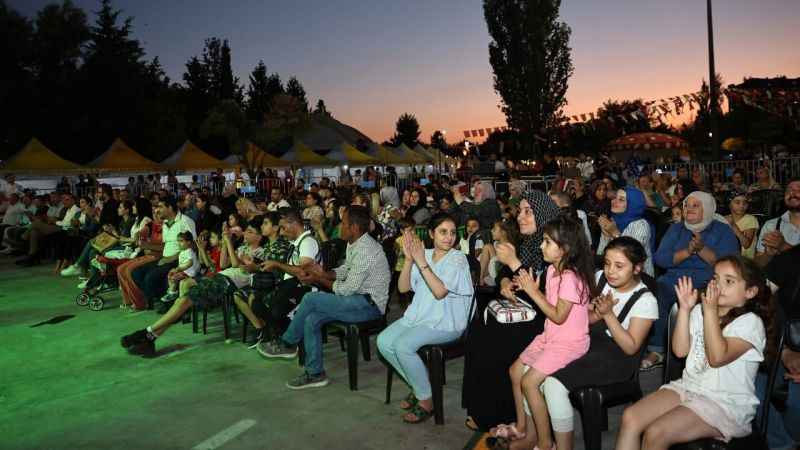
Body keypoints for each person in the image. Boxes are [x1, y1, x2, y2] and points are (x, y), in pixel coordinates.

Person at [616, 255, 772, 449]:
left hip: (725, 402)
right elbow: (680, 351)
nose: (718, 286)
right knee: (630, 417)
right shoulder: (700, 311)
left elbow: (717, 357)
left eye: (729, 281)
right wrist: (685, 309)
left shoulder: (750, 323)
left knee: (656, 432)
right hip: (690, 387)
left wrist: (710, 312)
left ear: (750, 291)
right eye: (715, 279)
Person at [517, 237, 656, 450]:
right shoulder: (599, 278)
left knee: (553, 385)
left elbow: (631, 347)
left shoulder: (646, 300)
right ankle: (536, 437)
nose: (610, 271)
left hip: (618, 358)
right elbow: (584, 319)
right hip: (587, 342)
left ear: (637, 268)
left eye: (619, 266)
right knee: (530, 369)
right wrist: (596, 313)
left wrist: (607, 315)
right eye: (607, 263)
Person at [259, 206, 391, 390]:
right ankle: (315, 373)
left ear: (354, 227)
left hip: (369, 306)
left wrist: (318, 278)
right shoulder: (356, 242)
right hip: (356, 300)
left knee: (311, 300)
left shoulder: (366, 251)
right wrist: (324, 273)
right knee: (312, 319)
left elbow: (345, 290)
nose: (339, 227)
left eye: (343, 224)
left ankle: (288, 343)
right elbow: (346, 270)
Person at [462, 190, 561, 431]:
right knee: (478, 330)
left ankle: (501, 413)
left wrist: (514, 263)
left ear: (543, 215)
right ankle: (483, 408)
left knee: (496, 339)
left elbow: (550, 298)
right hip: (521, 312)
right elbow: (508, 274)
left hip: (544, 322)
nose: (521, 217)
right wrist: (505, 282)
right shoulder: (528, 243)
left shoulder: (557, 246)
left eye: (529, 212)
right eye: (520, 211)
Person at [493, 215, 595, 450]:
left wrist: (532, 291)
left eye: (548, 242)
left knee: (529, 382)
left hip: (569, 342)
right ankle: (521, 427)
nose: (541, 246)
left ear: (565, 249)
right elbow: (549, 307)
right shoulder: (551, 271)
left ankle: (545, 443)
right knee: (515, 370)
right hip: (551, 336)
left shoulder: (571, 277)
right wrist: (531, 288)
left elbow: (559, 315)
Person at [378, 213, 474, 423]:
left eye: (451, 233)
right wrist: (410, 260)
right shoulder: (426, 254)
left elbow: (440, 292)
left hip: (448, 321)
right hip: (421, 315)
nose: (449, 237)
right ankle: (421, 387)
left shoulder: (457, 259)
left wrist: (420, 261)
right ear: (431, 234)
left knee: (403, 345)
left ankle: (426, 400)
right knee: (383, 342)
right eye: (442, 232)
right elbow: (403, 287)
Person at [120, 219, 265, 356]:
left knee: (184, 302)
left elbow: (236, 265)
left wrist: (227, 241)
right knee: (181, 302)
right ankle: (150, 337)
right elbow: (224, 263)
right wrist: (227, 244)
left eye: (250, 232)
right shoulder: (241, 248)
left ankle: (146, 333)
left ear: (259, 237)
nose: (246, 233)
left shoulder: (260, 252)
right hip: (219, 278)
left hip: (229, 283)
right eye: (246, 231)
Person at [642, 191, 739, 371]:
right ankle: (657, 350)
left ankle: (700, 350)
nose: (689, 209)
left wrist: (702, 249)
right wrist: (687, 251)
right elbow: (660, 259)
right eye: (686, 205)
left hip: (707, 282)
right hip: (674, 280)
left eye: (696, 205)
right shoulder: (676, 229)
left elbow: (729, 266)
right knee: (657, 291)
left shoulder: (722, 230)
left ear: (708, 208)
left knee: (702, 298)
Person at [232, 211, 292, 345]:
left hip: (277, 285)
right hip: (264, 283)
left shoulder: (282, 245)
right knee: (238, 295)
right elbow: (262, 266)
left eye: (266, 224)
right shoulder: (267, 246)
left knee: (253, 297)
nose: (262, 227)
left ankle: (271, 330)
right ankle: (261, 328)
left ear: (276, 228)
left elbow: (276, 270)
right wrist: (252, 264)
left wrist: (256, 267)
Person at [130, 197, 196, 310]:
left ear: (170, 208)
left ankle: (161, 302)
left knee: (150, 277)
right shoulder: (165, 224)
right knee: (136, 272)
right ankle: (157, 298)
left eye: (160, 207)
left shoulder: (185, 221)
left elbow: (192, 245)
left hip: (179, 260)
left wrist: (171, 258)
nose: (157, 210)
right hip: (164, 258)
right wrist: (146, 246)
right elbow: (165, 246)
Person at [596, 187, 654, 276]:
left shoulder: (641, 225)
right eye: (615, 197)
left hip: (637, 277)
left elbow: (630, 257)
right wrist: (606, 235)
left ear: (633, 204)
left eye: (621, 199)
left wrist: (615, 233)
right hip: (613, 272)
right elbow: (600, 255)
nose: (614, 201)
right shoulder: (613, 220)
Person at [754, 178, 800, 267]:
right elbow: (757, 265)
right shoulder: (771, 225)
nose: (792, 193)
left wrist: (784, 246)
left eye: (798, 189)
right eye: (788, 190)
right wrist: (768, 255)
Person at [161, 231, 200, 303]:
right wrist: (177, 269)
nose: (179, 243)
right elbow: (181, 263)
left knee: (174, 277)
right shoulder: (182, 252)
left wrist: (179, 269)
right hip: (184, 271)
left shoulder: (189, 251)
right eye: (178, 241)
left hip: (190, 273)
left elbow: (189, 263)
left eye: (181, 241)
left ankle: (172, 293)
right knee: (170, 274)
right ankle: (171, 290)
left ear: (188, 242)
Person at [724, 191, 759, 259]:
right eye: (737, 202)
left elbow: (746, 244)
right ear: (729, 204)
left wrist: (733, 225)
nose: (742, 206)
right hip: (729, 258)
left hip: (745, 260)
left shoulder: (751, 219)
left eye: (745, 203)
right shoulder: (724, 219)